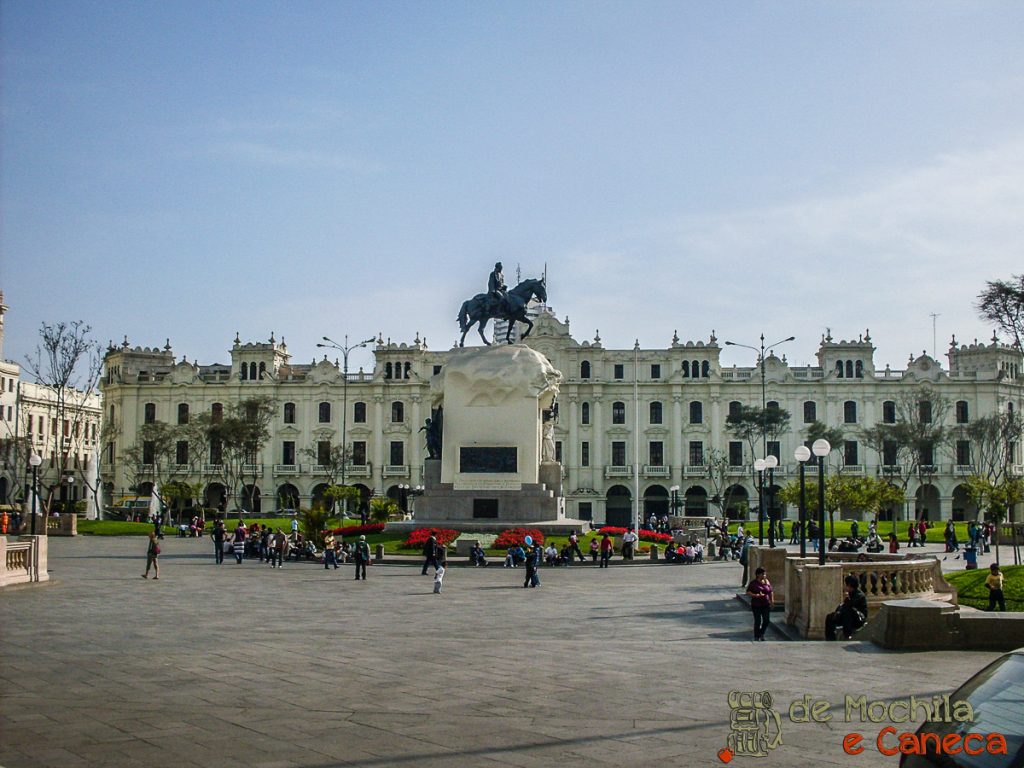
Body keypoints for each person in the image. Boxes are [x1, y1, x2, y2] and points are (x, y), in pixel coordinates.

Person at [825, 575, 868, 640]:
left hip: (858, 619)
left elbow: (850, 606)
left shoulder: (859, 595)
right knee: (830, 617)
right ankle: (830, 638)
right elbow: (843, 605)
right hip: (847, 617)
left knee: (848, 612)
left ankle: (847, 635)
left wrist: (847, 599)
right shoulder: (850, 594)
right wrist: (837, 613)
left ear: (849, 585)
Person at [745, 567, 773, 641]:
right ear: (758, 575)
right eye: (762, 574)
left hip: (766, 604)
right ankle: (756, 636)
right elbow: (748, 592)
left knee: (766, 620)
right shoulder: (753, 583)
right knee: (758, 621)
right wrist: (756, 595)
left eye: (764, 574)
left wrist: (772, 601)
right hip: (756, 605)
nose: (764, 576)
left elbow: (770, 591)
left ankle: (762, 633)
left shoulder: (767, 582)